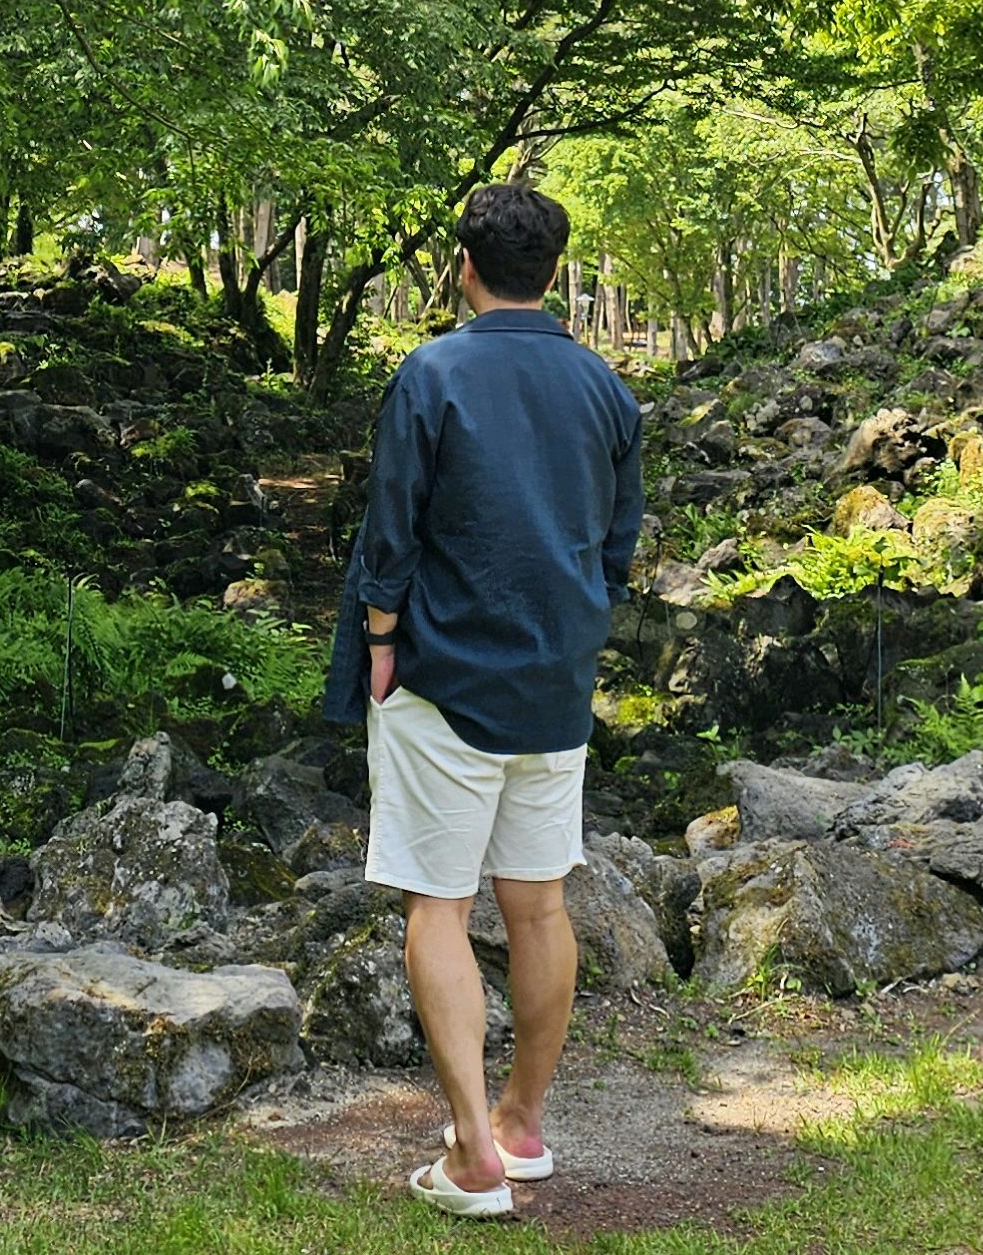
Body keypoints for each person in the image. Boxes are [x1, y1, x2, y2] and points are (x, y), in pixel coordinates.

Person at [320, 181, 644, 1219]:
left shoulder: (433, 372)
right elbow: (618, 543)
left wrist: (379, 640)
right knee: (539, 903)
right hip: (556, 679)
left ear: (464, 266)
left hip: (443, 672)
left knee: (438, 905)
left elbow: (392, 525)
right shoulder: (604, 387)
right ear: (553, 271)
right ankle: (521, 1124)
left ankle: (472, 1155)